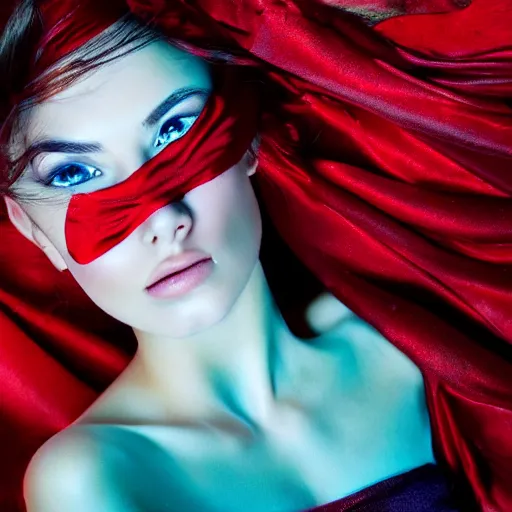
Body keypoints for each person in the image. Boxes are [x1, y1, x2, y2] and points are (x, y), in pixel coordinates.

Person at [0, 0, 510, 511]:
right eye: (72, 174)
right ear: (33, 230)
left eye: (175, 131)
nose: (162, 220)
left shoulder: (405, 349)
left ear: (248, 141)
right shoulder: (94, 478)